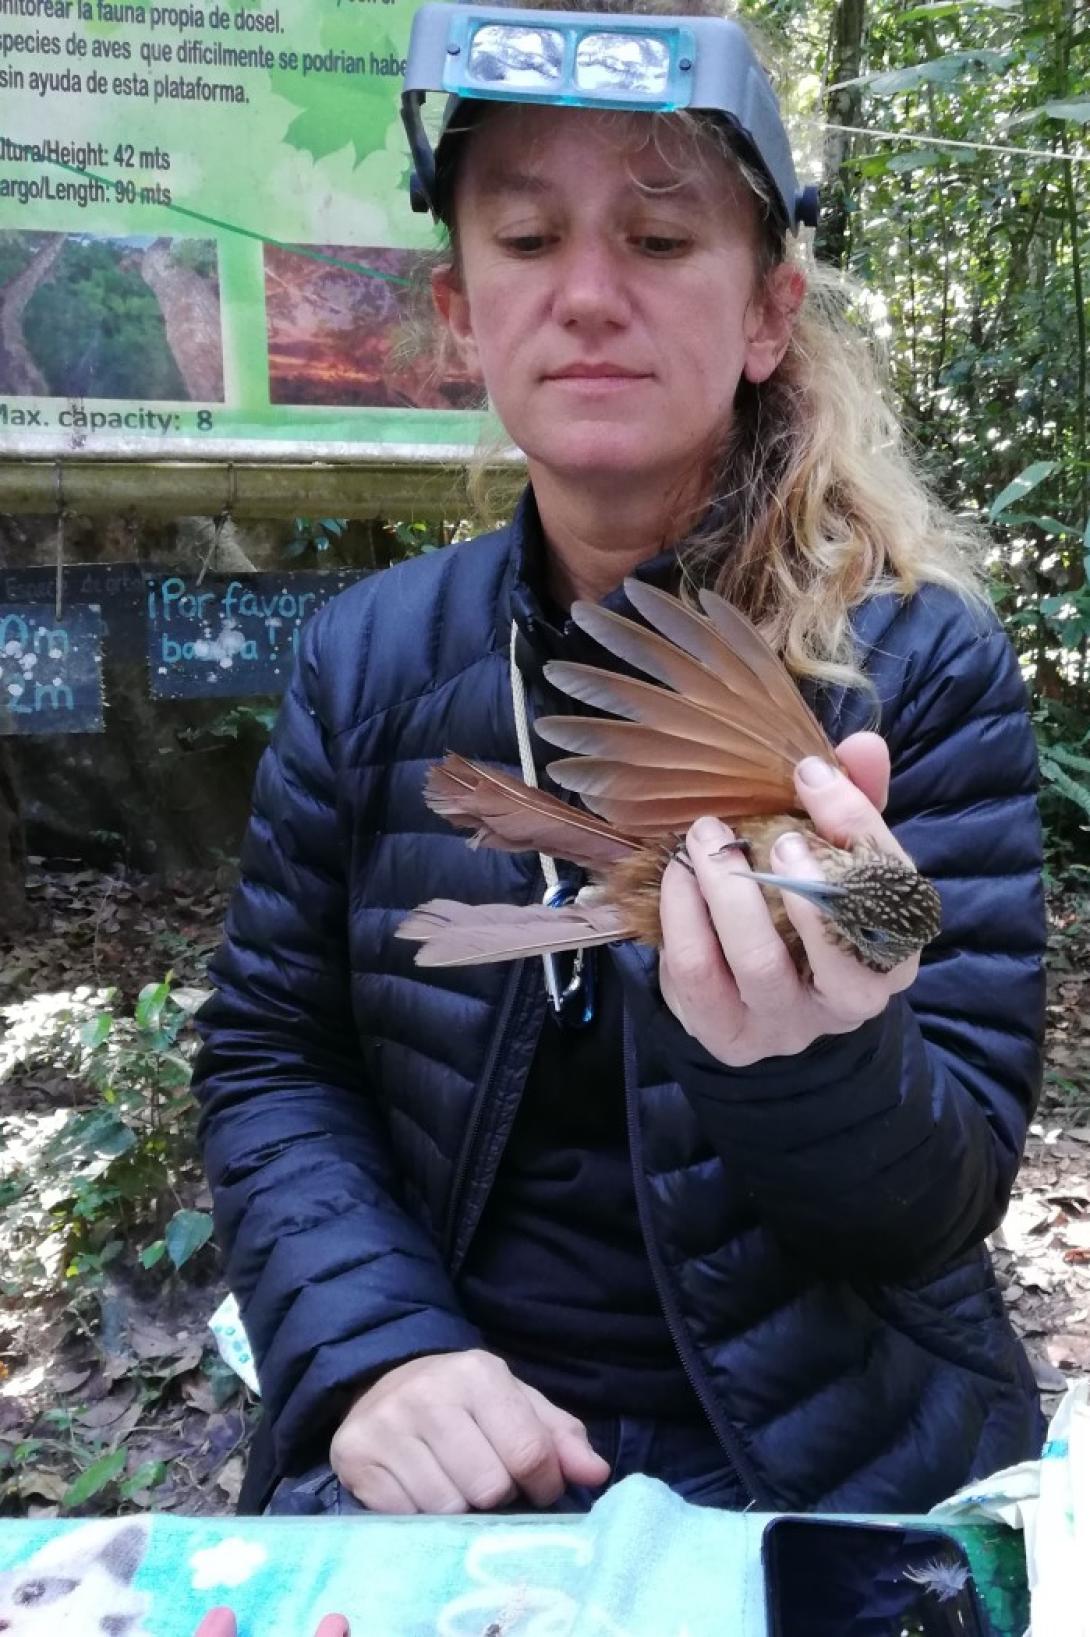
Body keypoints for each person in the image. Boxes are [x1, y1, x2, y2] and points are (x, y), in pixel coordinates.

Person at [192, 0, 1045, 1520]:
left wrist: (822, 1050)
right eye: (526, 242)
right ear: (460, 309)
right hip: (455, 1444)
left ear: (767, 313)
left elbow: (947, 1184)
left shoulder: (912, 668)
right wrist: (377, 1350)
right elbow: (275, 1055)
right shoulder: (367, 660)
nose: (587, 295)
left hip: (821, 1447)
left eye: (658, 243)